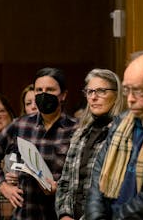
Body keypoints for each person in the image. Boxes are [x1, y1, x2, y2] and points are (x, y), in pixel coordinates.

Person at [0, 67, 78, 220]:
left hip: (59, 215)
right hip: (25, 214)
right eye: (39, 90)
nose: (44, 94)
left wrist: (59, 189)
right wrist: (3, 186)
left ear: (63, 95)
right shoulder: (20, 125)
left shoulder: (77, 129)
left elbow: (84, 179)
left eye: (50, 89)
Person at [85, 51, 143, 219]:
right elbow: (98, 178)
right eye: (127, 90)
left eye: (139, 91)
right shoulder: (122, 122)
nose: (131, 99)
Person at [55, 69, 125, 220]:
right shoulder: (81, 133)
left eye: (101, 91)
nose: (93, 97)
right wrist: (65, 214)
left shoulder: (122, 135)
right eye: (90, 91)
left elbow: (116, 190)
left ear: (116, 94)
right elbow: (65, 181)